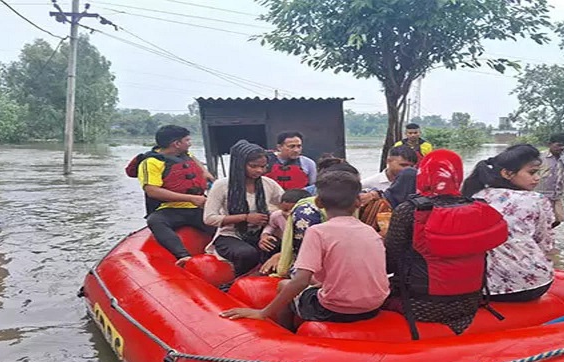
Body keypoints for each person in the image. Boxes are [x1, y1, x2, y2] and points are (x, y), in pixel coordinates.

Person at [220, 171, 390, 330]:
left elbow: (300, 281)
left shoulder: (318, 232)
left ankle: (287, 332)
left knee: (283, 284)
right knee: (317, 283)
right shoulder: (370, 231)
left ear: (318, 202)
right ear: (358, 202)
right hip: (374, 306)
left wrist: (262, 312)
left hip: (335, 310)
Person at [385, 150, 508, 335]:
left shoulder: (408, 211)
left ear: (422, 174)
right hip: (470, 302)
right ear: (458, 176)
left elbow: (390, 262)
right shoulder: (479, 209)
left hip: (419, 304)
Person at [462, 145, 556, 302]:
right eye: (532, 172)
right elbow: (545, 243)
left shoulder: (474, 197)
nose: (537, 178)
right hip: (532, 285)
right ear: (506, 173)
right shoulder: (536, 200)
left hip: (483, 287)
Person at [135, 125, 216, 267]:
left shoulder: (185, 154)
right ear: (177, 144)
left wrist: (205, 172)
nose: (190, 143)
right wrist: (190, 198)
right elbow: (152, 190)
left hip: (198, 207)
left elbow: (194, 161)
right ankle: (183, 256)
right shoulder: (151, 162)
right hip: (170, 209)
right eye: (187, 140)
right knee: (155, 221)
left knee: (221, 221)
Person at [204, 140, 284, 276]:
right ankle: (236, 282)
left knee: (277, 247)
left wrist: (266, 234)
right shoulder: (221, 185)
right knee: (247, 254)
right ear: (240, 165)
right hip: (230, 234)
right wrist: (245, 218)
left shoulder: (269, 184)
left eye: (263, 167)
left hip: (260, 233)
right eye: (253, 166)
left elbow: (285, 205)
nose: (259, 170)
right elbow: (209, 219)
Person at [258, 189, 311, 253]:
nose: (288, 214)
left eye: (293, 210)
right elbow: (271, 226)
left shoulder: (310, 219)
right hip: (286, 243)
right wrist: (265, 236)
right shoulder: (277, 215)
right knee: (269, 243)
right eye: (285, 210)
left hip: (305, 245)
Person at [537, 134, 564, 227]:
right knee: (540, 220)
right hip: (540, 195)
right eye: (559, 145)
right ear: (549, 144)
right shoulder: (540, 157)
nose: (562, 148)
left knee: (558, 219)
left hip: (556, 195)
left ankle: (546, 233)